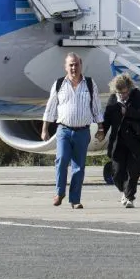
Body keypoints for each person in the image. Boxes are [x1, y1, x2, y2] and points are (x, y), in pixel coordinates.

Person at [41, 52, 103, 209]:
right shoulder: (59, 84)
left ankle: (75, 200)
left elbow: (96, 108)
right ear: (65, 67)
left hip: (83, 131)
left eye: (76, 64)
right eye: (71, 65)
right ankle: (59, 193)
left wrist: (101, 128)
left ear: (81, 65)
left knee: (78, 167)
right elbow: (50, 108)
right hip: (64, 130)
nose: (73, 68)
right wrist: (45, 129)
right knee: (61, 160)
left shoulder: (90, 84)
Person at [98, 73, 140, 208]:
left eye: (124, 92)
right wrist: (102, 131)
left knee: (133, 171)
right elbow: (107, 118)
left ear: (129, 88)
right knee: (117, 173)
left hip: (135, 141)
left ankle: (130, 197)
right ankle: (124, 191)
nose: (122, 95)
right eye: (119, 93)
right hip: (118, 142)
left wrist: (127, 111)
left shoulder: (137, 95)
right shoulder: (113, 99)